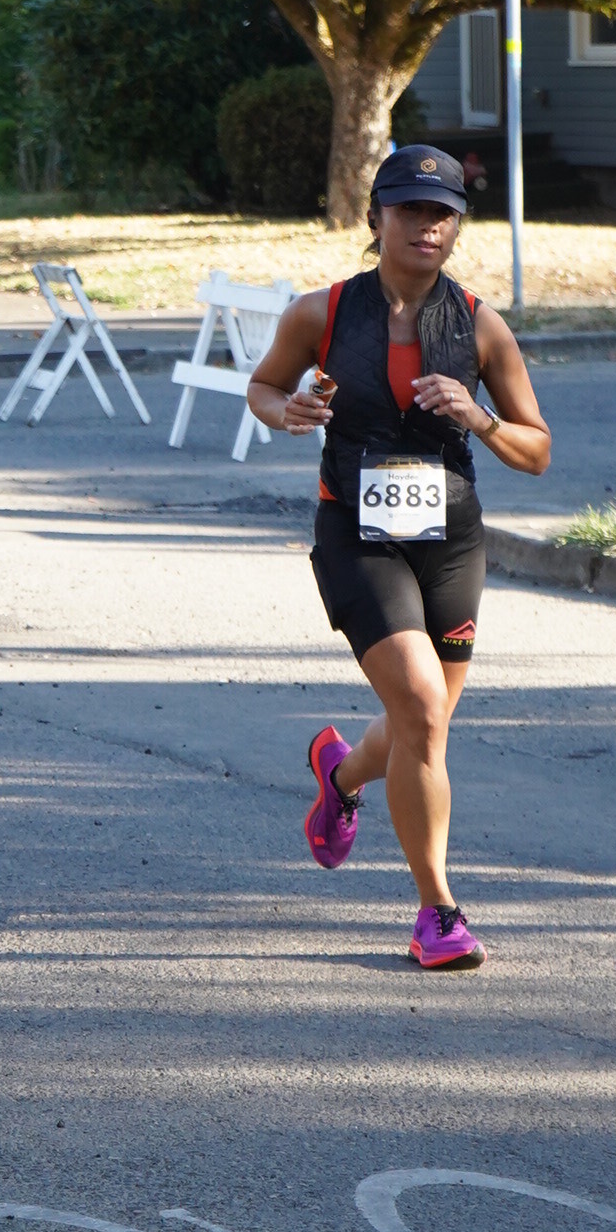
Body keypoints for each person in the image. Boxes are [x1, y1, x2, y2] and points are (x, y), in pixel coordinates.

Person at [246, 144, 551, 972]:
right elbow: (263, 388)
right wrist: (288, 410)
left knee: (426, 720)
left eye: (442, 213)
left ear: (457, 226)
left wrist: (478, 417)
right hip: (356, 534)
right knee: (419, 703)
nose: (427, 225)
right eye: (411, 209)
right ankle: (438, 913)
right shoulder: (321, 313)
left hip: (450, 542)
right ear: (377, 216)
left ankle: (341, 777)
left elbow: (536, 451)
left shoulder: (480, 325)